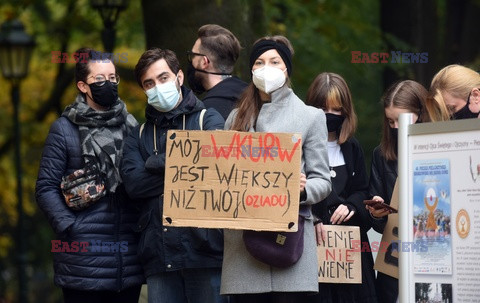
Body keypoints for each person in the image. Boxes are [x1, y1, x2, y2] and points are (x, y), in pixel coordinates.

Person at [220, 35, 332, 303]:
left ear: (286, 69)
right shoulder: (235, 118)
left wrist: (302, 192)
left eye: (274, 61)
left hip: (289, 239)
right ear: (251, 70)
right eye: (259, 62)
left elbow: (323, 180)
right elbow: (221, 175)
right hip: (243, 247)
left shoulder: (310, 116)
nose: (266, 67)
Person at [35, 47, 143, 303]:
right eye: (100, 79)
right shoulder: (64, 129)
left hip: (128, 257)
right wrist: (71, 228)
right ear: (83, 86)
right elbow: (45, 187)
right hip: (82, 260)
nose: (110, 84)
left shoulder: (131, 125)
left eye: (113, 77)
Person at [120, 48, 226, 303]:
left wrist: (155, 163)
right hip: (159, 256)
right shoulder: (139, 134)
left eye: (163, 78)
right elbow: (134, 184)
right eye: (149, 83)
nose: (157, 87)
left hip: (205, 253)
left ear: (179, 77)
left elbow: (216, 171)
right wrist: (187, 167)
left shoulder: (208, 119)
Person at [305, 72, 377, 303]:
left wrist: (352, 206)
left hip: (350, 249)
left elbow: (361, 189)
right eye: (324, 109)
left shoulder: (352, 147)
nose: (331, 116)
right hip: (313, 246)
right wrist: (315, 216)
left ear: (346, 111)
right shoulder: (301, 145)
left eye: (337, 110)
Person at [367, 80, 432, 303]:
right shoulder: (381, 155)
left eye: (402, 119)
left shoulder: (439, 147)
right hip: (393, 260)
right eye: (390, 121)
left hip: (431, 254)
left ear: (422, 113)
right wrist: (376, 213)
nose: (395, 126)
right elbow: (378, 224)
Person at [187, 24, 248, 120]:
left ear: (204, 62)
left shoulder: (205, 113)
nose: (191, 60)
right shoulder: (252, 96)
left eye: (193, 55)